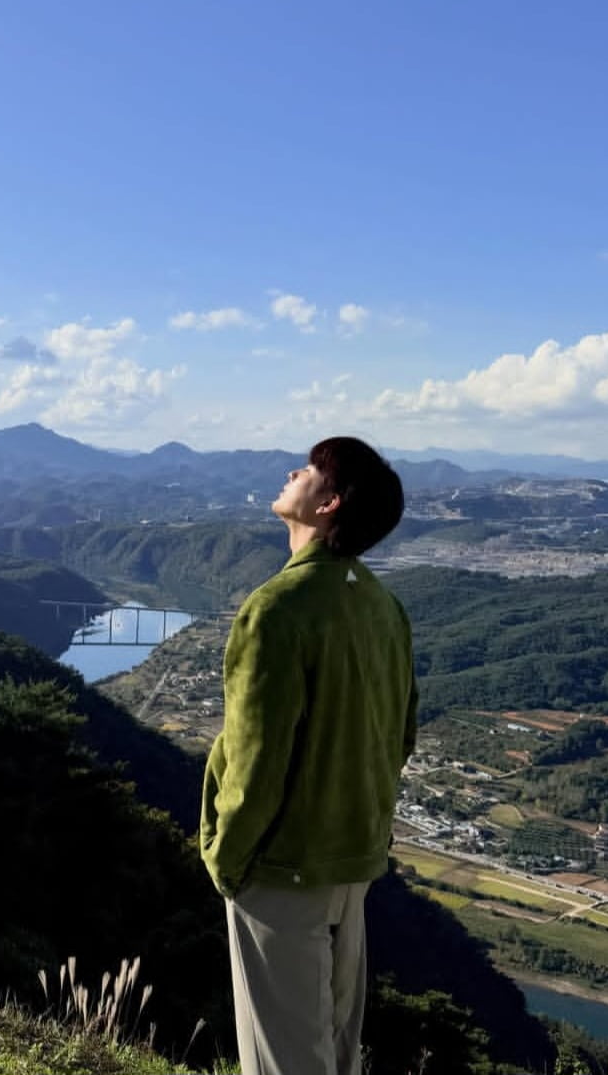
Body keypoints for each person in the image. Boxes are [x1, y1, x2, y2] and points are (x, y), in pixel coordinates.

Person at [200, 435, 419, 1075]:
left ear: (329, 504)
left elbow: (255, 761)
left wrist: (226, 857)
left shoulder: (277, 609)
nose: (293, 472)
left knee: (285, 1060)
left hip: (281, 866)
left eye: (311, 469)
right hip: (352, 863)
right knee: (333, 1051)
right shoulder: (383, 607)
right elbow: (400, 736)